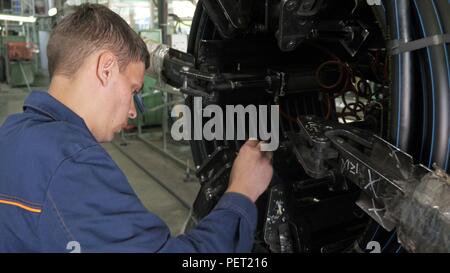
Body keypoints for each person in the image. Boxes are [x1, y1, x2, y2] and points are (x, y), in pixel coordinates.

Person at [0, 4, 273, 252]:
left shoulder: (11, 134)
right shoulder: (73, 163)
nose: (133, 110)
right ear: (106, 69)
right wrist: (242, 192)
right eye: (133, 89)